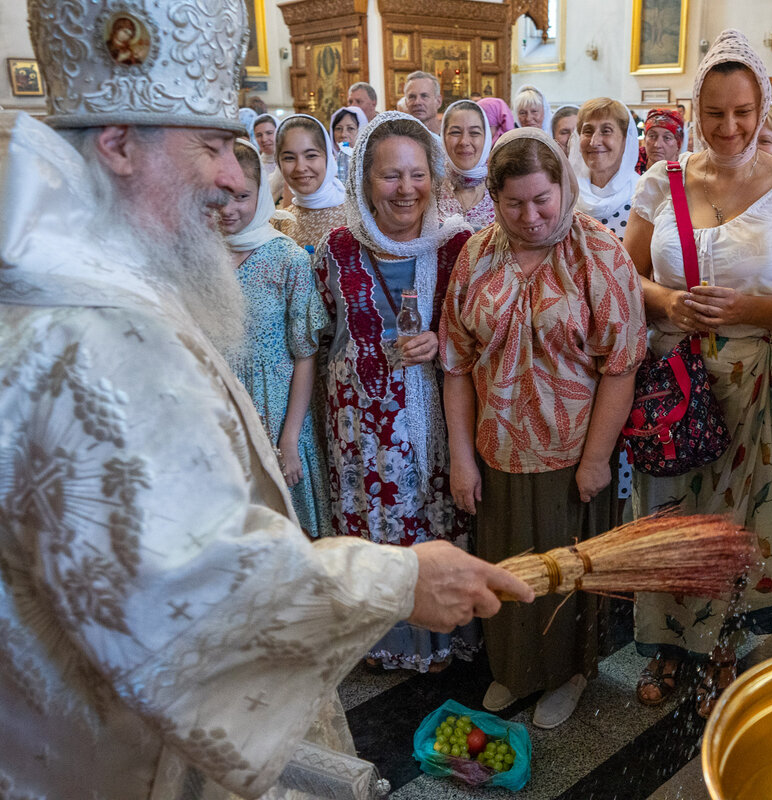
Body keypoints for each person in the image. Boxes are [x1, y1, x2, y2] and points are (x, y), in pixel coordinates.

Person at [3, 1, 534, 795]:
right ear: (116, 144)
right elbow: (191, 598)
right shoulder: (92, 338)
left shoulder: (82, 290)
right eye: (214, 145)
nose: (231, 176)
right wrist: (397, 580)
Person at [625, 29, 772, 715]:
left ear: (763, 107)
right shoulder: (662, 181)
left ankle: (720, 646)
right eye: (714, 112)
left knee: (734, 519)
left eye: (743, 111)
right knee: (669, 512)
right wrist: (666, 301)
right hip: (673, 378)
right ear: (695, 110)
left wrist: (750, 307)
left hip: (752, 379)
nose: (729, 127)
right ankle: (662, 641)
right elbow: (626, 275)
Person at [440, 128, 647, 728]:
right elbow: (456, 363)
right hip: (498, 449)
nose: (530, 216)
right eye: (513, 203)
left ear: (563, 185)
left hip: (570, 451)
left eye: (542, 199)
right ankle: (514, 671)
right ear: (495, 200)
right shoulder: (477, 255)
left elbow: (621, 365)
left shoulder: (599, 254)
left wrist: (595, 460)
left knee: (565, 571)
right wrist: (461, 456)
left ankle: (568, 674)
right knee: (506, 565)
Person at [314, 112, 479, 672]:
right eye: (390, 176)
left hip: (439, 425)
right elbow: (320, 340)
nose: (406, 189)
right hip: (363, 437)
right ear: (364, 181)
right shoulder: (335, 251)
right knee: (378, 539)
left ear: (434, 175)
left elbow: (482, 336)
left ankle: (445, 638)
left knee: (437, 528)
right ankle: (385, 643)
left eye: (417, 174)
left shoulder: (461, 248)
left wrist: (442, 341)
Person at [220, 140, 332, 539]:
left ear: (262, 195)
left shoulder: (288, 259)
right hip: (222, 410)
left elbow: (305, 354)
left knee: (288, 534)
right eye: (219, 197)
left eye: (242, 196)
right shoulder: (201, 255)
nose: (229, 209)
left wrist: (289, 438)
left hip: (279, 410)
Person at [271, 113, 347, 250]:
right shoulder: (279, 222)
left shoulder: (356, 217)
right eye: (289, 158)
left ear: (328, 157)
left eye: (311, 155)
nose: (300, 167)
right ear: (278, 162)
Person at [570, 97, 640, 240]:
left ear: (625, 140)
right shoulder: (567, 193)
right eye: (588, 131)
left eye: (606, 131)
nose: (594, 142)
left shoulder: (643, 196)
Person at [437, 99, 495, 230]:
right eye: (455, 132)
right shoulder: (432, 187)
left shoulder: (501, 188)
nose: (464, 141)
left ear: (486, 139)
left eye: (474, 133)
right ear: (443, 137)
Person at [253, 112, 284, 203]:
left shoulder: (287, 162)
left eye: (269, 133)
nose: (264, 139)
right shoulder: (254, 163)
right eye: (259, 135)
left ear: (278, 132)